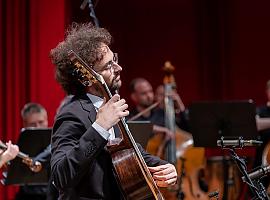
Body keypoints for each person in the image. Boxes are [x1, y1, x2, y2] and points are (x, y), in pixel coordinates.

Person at [50, 22, 177, 200]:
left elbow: (130, 153)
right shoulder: (72, 113)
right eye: (109, 65)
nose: (119, 68)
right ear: (88, 78)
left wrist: (165, 167)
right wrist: (100, 127)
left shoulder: (110, 106)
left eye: (114, 59)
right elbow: (60, 176)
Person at [16, 103, 57, 200]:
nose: (38, 126)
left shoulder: (57, 139)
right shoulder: (21, 143)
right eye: (33, 124)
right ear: (25, 124)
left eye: (41, 122)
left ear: (47, 120)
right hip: (28, 195)